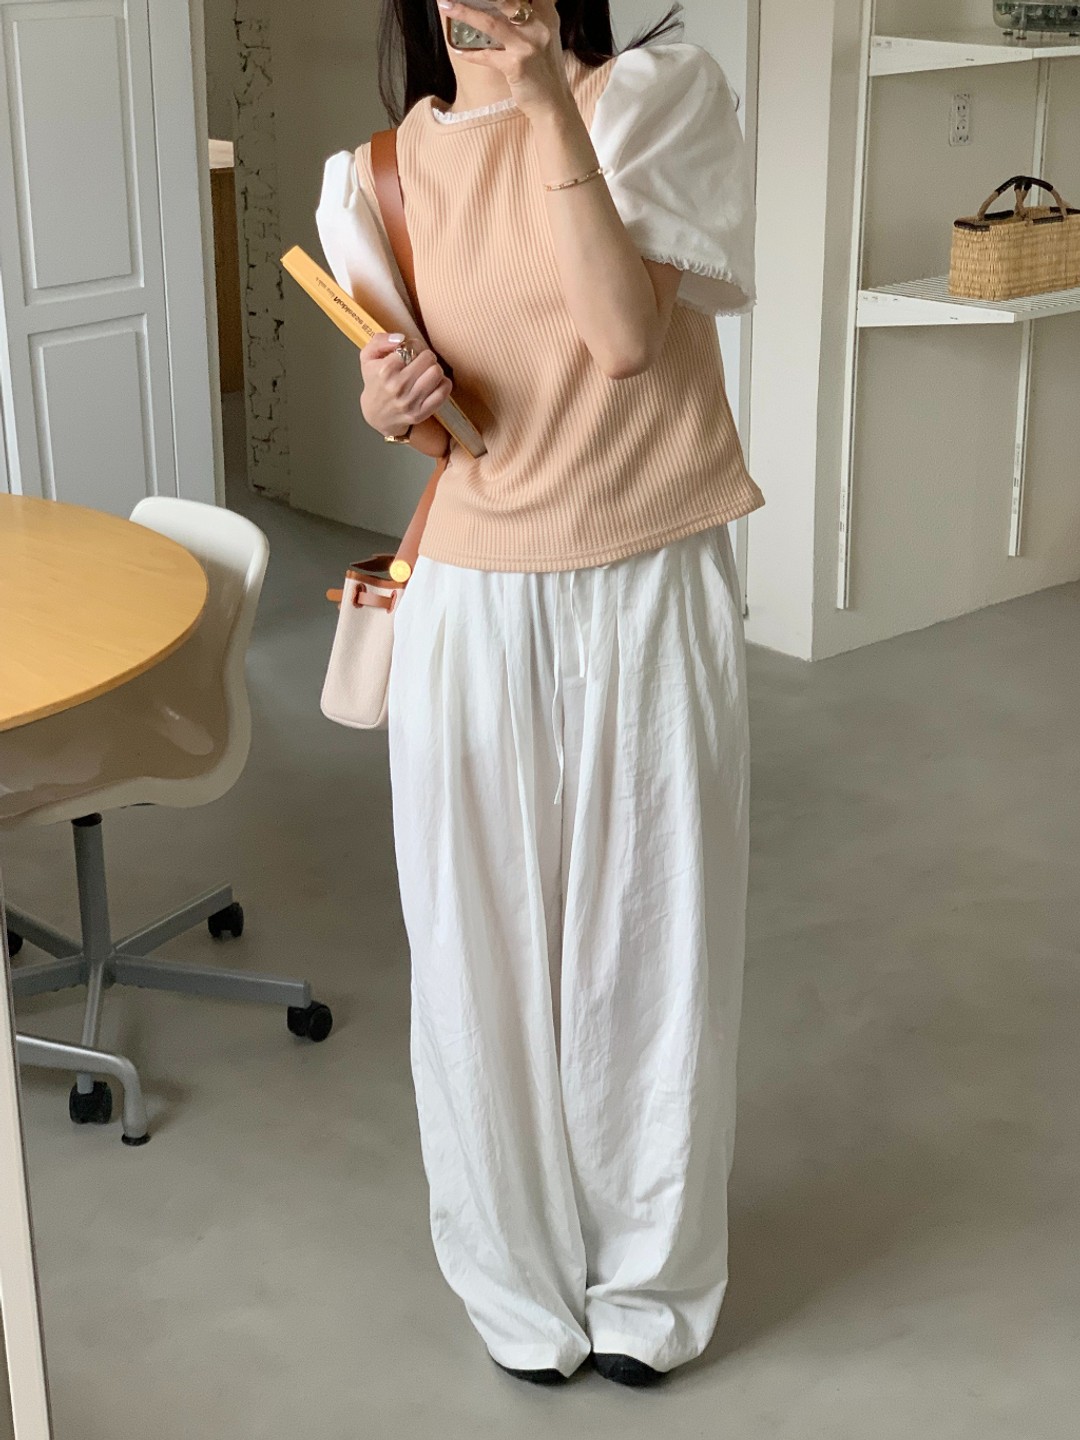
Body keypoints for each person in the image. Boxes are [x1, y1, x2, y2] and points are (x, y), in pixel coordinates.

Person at [317, 0, 764, 1390]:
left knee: (654, 937)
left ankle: (651, 1286)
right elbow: (436, 421)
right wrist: (391, 402)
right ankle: (513, 1282)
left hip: (647, 573)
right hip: (471, 596)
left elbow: (621, 338)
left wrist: (548, 105)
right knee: (474, 950)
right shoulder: (374, 174)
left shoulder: (657, 94)